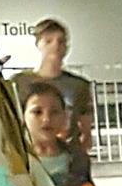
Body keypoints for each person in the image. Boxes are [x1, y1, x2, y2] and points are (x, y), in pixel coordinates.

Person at [23, 78, 105, 186]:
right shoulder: (16, 160)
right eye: (37, 112)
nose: (46, 119)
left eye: (54, 112)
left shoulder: (77, 159)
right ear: (22, 116)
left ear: (64, 116)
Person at [14, 18, 94, 151]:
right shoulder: (19, 83)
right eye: (48, 41)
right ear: (38, 44)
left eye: (61, 41)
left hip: (68, 155)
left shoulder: (79, 85)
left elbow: (85, 124)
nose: (56, 46)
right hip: (30, 155)